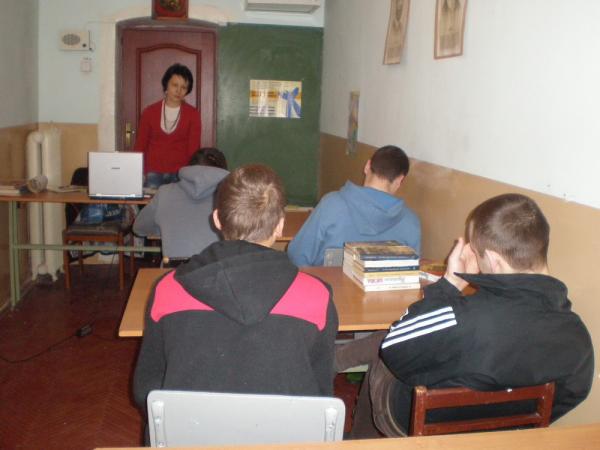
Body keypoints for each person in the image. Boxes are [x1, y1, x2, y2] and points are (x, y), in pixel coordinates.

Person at [337, 193, 594, 437]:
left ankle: (360, 439)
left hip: (419, 420)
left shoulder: (463, 318)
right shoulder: (576, 334)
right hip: (510, 430)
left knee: (386, 342)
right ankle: (335, 360)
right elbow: (574, 392)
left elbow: (392, 349)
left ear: (493, 260)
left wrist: (450, 284)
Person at [133, 164, 339, 422]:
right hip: (285, 434)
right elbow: (321, 390)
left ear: (217, 219)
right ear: (280, 226)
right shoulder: (316, 296)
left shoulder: (168, 289)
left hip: (190, 434)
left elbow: (146, 390)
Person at [288, 145, 421, 266]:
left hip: (327, 284)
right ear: (400, 180)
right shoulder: (411, 222)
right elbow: (412, 268)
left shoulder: (332, 204)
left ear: (367, 166)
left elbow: (297, 254)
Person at [133, 147, 228, 261]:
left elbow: (139, 228)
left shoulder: (164, 193)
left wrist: (165, 227)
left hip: (174, 269)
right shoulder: (233, 196)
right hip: (219, 269)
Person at [134, 63, 201, 188]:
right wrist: (139, 172)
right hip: (152, 173)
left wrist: (191, 175)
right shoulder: (149, 112)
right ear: (166, 85)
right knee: (153, 202)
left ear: (187, 90)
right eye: (175, 85)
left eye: (183, 87)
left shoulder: (193, 114)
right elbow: (140, 145)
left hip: (181, 174)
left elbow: (194, 149)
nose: (178, 91)